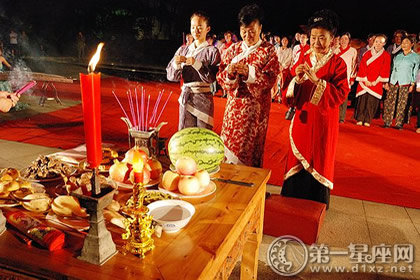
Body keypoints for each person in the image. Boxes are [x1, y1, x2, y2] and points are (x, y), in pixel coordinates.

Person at [281, 9, 350, 208]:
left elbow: (340, 94)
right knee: (297, 157)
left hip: (323, 121)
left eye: (322, 38)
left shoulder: (338, 64)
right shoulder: (302, 57)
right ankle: (292, 199)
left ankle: (316, 203)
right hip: (302, 117)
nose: (317, 42)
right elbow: (288, 87)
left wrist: (318, 82)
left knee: (319, 156)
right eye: (313, 37)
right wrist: (296, 79)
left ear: (333, 39)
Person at [217, 4, 279, 167]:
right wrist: (230, 74)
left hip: (254, 113)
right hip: (232, 111)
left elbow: (270, 80)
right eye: (244, 31)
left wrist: (249, 73)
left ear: (260, 28)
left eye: (252, 30)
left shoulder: (268, 51)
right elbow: (221, 77)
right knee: (228, 151)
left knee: (248, 154)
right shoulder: (232, 50)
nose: (247, 35)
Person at [166, 11, 221, 130]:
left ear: (208, 29)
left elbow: (212, 78)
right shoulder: (183, 50)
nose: (196, 30)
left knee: (203, 136)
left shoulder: (212, 51)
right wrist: (177, 64)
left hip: (204, 100)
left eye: (200, 27)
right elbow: (170, 76)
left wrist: (197, 64)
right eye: (193, 27)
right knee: (185, 136)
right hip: (186, 98)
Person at [383, 35, 420, 129]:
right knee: (389, 101)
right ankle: (387, 121)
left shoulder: (415, 57)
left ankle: (399, 123)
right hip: (394, 81)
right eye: (403, 43)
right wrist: (388, 81)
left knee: (402, 103)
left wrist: (413, 83)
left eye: (406, 43)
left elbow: (415, 71)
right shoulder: (397, 56)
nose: (404, 44)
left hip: (406, 82)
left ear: (412, 44)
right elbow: (392, 69)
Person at [355, 34, 391, 126]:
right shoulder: (366, 54)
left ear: (384, 44)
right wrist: (365, 79)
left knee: (371, 102)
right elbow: (362, 67)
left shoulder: (386, 56)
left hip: (376, 82)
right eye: (376, 41)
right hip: (365, 81)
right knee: (362, 100)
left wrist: (376, 81)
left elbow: (385, 69)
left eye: (381, 42)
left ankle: (367, 119)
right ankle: (360, 118)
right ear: (373, 42)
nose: (378, 44)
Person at [336, 32, 357, 123]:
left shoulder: (353, 51)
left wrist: (352, 78)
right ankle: (335, 116)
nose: (344, 41)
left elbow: (354, 65)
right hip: (336, 77)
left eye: (346, 39)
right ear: (339, 40)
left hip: (347, 77)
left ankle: (341, 117)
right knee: (335, 97)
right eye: (342, 39)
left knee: (344, 98)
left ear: (349, 41)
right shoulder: (335, 50)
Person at [272, 36, 293, 102]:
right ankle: (273, 95)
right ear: (281, 41)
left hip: (284, 69)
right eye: (283, 40)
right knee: (275, 82)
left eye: (286, 40)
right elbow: (275, 57)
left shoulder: (289, 50)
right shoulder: (278, 49)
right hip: (277, 67)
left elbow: (289, 59)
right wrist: (279, 64)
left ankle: (280, 97)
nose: (284, 42)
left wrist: (283, 66)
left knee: (282, 83)